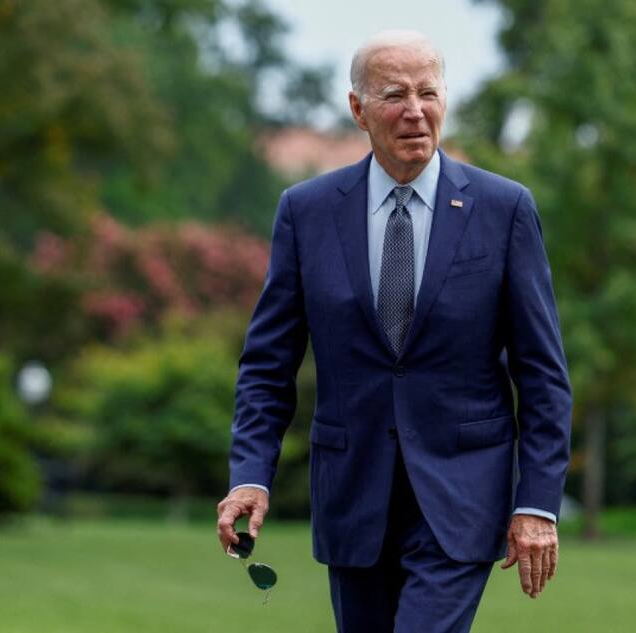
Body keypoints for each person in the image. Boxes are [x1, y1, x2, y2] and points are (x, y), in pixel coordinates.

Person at [216, 29, 572, 632]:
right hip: (353, 497)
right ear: (358, 109)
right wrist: (250, 474)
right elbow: (267, 364)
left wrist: (536, 503)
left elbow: (542, 371)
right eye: (393, 95)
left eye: (427, 92)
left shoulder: (504, 208)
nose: (415, 110)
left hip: (462, 496)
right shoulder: (307, 211)